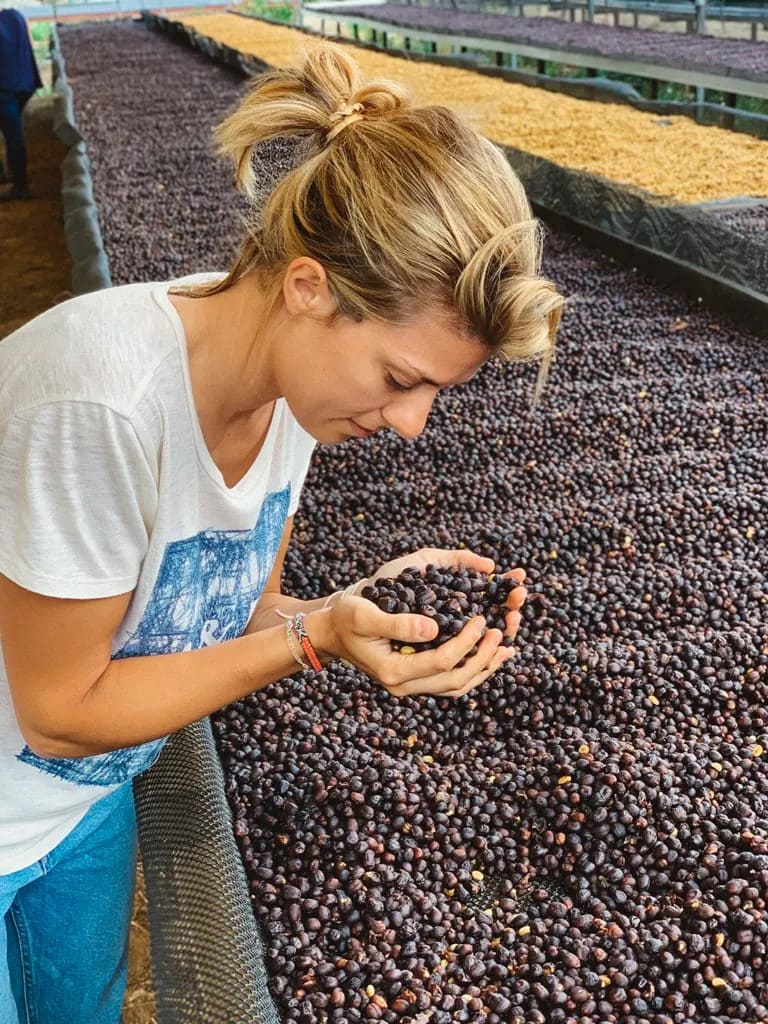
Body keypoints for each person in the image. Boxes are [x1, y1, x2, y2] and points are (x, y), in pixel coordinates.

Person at [0, 42, 563, 1023]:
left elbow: (235, 607)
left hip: (81, 802)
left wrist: (355, 613)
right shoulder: (103, 407)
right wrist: (313, 641)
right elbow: (60, 708)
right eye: (401, 378)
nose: (412, 424)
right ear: (309, 288)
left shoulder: (291, 400)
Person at [0, 7, 42, 201]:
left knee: (13, 136)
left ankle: (21, 185)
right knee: (13, 131)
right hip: (25, 84)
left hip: (5, 90)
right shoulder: (14, 17)